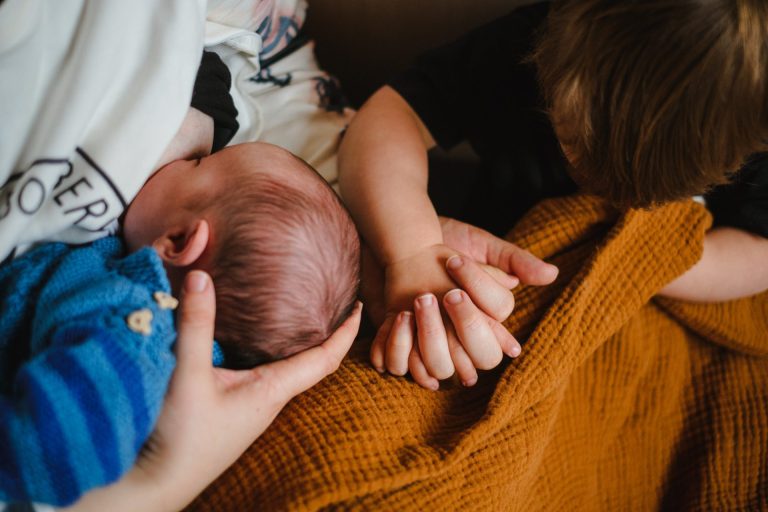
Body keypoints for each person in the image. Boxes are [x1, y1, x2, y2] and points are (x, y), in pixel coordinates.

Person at [337, 0, 768, 390]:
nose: (593, 182)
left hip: (640, 316)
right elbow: (393, 116)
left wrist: (644, 261)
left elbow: (760, 248)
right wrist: (412, 251)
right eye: (571, 144)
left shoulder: (752, 122)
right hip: (484, 263)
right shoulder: (525, 45)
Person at [0, 139, 360, 506]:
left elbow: (57, 449)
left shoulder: (131, 332)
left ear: (177, 240)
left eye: (197, 163)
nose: (184, 155)